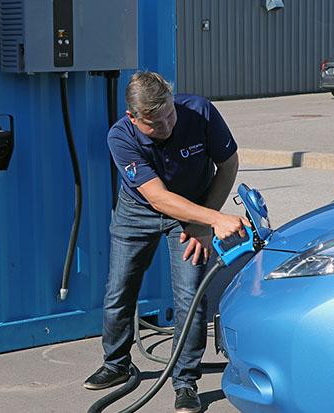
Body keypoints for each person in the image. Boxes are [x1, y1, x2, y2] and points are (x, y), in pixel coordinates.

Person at [83, 71, 250, 413]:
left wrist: (205, 219)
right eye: (154, 124)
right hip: (138, 211)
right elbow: (158, 198)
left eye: (170, 115)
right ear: (133, 117)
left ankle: (185, 382)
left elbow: (228, 163)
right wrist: (216, 221)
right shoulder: (120, 136)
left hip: (195, 208)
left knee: (191, 296)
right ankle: (116, 363)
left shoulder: (200, 111)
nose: (167, 127)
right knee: (120, 288)